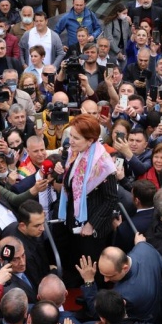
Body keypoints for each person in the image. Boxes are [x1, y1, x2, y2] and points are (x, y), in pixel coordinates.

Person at [53, 114, 117, 280]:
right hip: (73, 223)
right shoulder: (74, 154)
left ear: (90, 141)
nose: (71, 141)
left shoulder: (104, 164)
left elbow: (111, 199)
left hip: (92, 228)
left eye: (76, 138)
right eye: (71, 136)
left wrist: (92, 224)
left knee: (92, 269)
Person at [77, 234, 162, 324]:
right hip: (159, 307)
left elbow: (99, 313)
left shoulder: (123, 294)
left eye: (110, 276)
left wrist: (89, 281)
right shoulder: (144, 247)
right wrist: (140, 246)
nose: (105, 280)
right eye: (103, 274)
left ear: (125, 268)